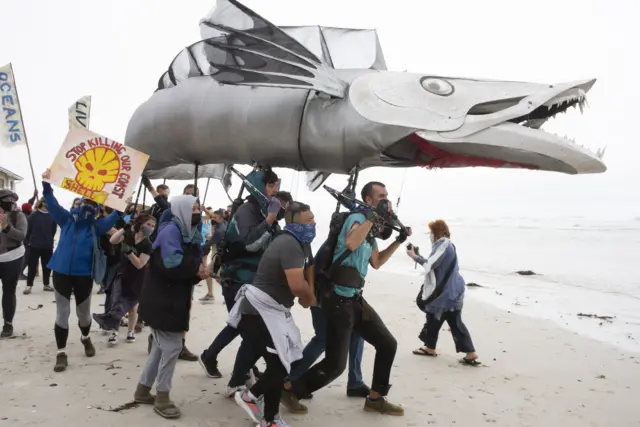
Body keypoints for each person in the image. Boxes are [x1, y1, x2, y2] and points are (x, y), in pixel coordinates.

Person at [281, 181, 406, 416]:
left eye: (387, 195)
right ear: (368, 200)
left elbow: (376, 263)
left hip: (355, 299)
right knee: (335, 365)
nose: (386, 199)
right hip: (337, 299)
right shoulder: (356, 220)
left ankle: (376, 398)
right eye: (381, 196)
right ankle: (289, 389)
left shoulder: (370, 233)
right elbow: (350, 242)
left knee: (387, 344)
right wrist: (372, 217)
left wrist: (398, 241)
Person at [198, 169, 289, 391]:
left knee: (240, 325)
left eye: (276, 185)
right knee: (251, 331)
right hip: (238, 279)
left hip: (254, 280)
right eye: (270, 185)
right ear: (258, 185)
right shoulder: (248, 211)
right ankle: (239, 377)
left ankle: (224, 361)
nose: (274, 190)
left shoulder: (263, 211)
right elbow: (249, 244)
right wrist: (270, 220)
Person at [231, 202, 317, 427]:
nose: (313, 224)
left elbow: (309, 269)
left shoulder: (298, 242)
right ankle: (255, 403)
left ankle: (269, 417)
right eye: (308, 221)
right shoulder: (289, 244)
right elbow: (297, 285)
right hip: (260, 311)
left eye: (314, 219)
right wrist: (309, 299)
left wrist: (310, 294)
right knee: (279, 366)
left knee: (279, 365)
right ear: (293, 223)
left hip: (269, 311)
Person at [41, 169, 122, 372]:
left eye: (92, 204)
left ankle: (85, 338)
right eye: (83, 201)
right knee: (62, 312)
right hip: (60, 272)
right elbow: (50, 200)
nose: (87, 205)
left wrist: (122, 202)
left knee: (83, 314)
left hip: (83, 275)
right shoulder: (65, 219)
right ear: (75, 205)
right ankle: (61, 352)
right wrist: (46, 183)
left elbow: (117, 215)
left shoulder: (97, 226)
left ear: (97, 210)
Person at [134, 195, 207, 419]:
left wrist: (198, 271)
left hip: (173, 297)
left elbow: (188, 263)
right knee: (173, 347)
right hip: (161, 299)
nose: (196, 212)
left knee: (160, 346)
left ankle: (143, 391)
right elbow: (172, 264)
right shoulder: (170, 231)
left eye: (198, 207)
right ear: (181, 210)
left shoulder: (188, 232)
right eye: (192, 208)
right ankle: (162, 396)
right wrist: (197, 268)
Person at [407, 219, 480, 365]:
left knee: (434, 317)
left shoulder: (443, 245)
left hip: (445, 291)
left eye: (431, 233)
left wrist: (414, 256)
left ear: (436, 232)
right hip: (454, 289)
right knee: (453, 320)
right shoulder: (448, 245)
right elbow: (437, 264)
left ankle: (430, 347)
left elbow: (430, 265)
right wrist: (419, 256)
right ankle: (470, 352)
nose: (430, 236)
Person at [93, 213, 155, 345]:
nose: (151, 228)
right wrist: (124, 228)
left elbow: (140, 264)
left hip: (138, 278)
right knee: (116, 302)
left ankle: (130, 331)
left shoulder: (148, 244)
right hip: (122, 274)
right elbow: (112, 240)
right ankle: (114, 332)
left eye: (153, 226)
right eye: (148, 224)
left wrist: (129, 253)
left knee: (132, 306)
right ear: (140, 223)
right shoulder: (129, 236)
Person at [0, 189, 28, 338]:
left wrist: (7, 228)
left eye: (13, 199)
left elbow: (22, 235)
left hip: (13, 256)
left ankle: (8, 324)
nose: (10, 202)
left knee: (8, 291)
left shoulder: (18, 215)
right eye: (6, 199)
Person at [23, 198, 57, 294]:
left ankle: (46, 284)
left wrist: (49, 240)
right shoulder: (33, 216)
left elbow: (53, 231)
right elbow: (28, 231)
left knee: (47, 266)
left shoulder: (52, 216)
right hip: (34, 245)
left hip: (47, 245)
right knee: (32, 266)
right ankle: (29, 285)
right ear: (42, 203)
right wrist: (28, 242)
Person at [199, 208, 227, 303]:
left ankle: (228, 292)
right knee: (212, 274)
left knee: (212, 274)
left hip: (220, 256)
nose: (213, 219)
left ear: (221, 218)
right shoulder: (223, 225)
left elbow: (209, 243)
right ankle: (212, 294)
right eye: (213, 217)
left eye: (215, 218)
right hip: (221, 255)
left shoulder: (219, 230)